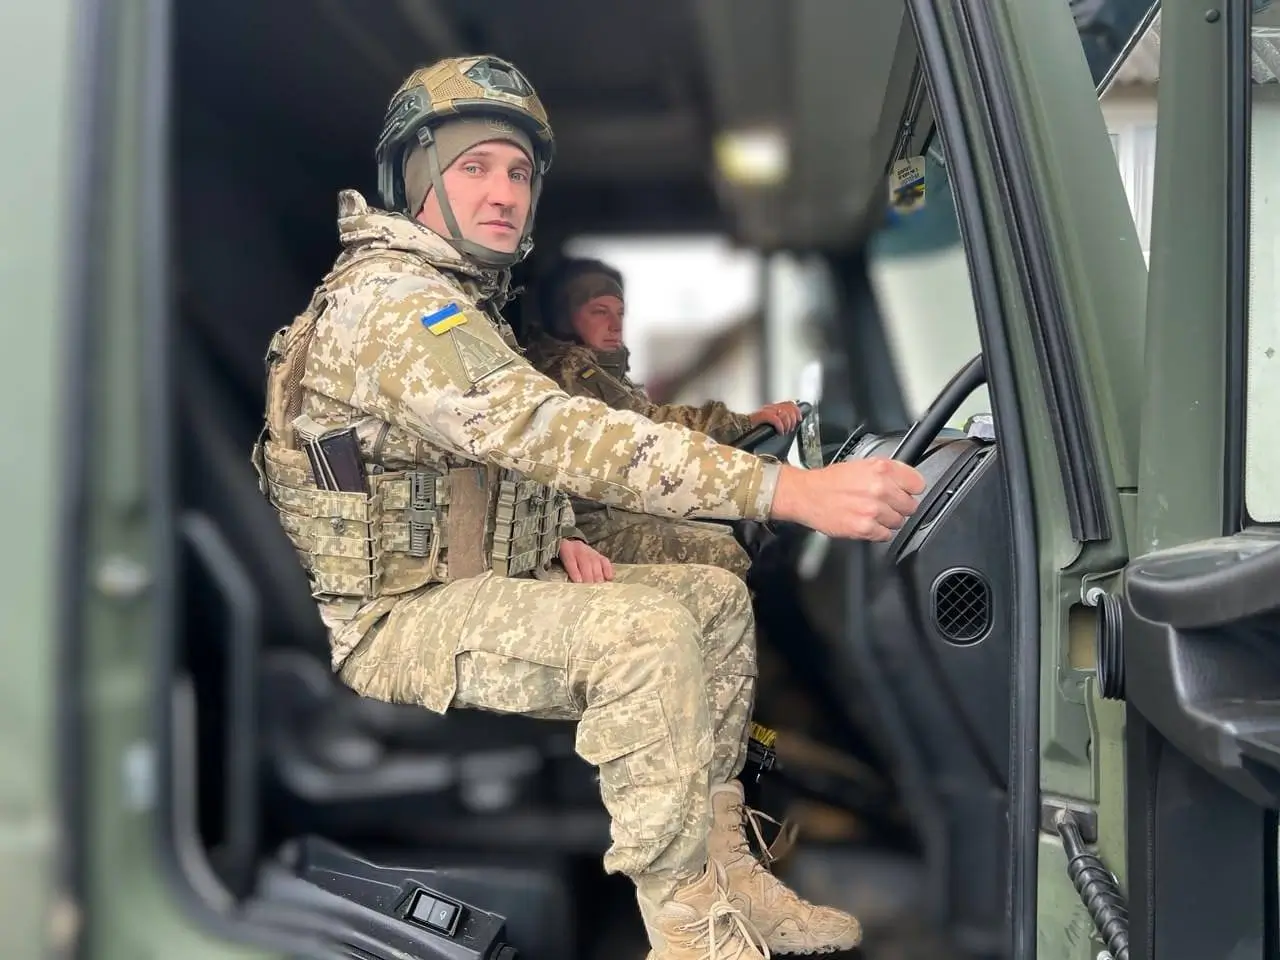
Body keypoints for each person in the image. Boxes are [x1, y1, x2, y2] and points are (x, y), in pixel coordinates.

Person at [251, 54, 926, 960]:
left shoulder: (459, 301)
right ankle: (687, 928)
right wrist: (790, 491)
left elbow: (484, 459)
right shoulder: (396, 303)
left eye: (518, 173)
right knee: (642, 633)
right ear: (416, 182)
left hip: (473, 585)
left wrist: (552, 531)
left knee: (714, 598)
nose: (503, 193)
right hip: (397, 622)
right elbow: (546, 430)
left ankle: (725, 870)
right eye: (474, 168)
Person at [523, 257, 796, 576]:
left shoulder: (596, 369)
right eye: (599, 312)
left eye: (620, 313)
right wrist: (741, 423)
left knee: (737, 528)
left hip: (615, 506)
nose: (615, 324)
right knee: (727, 551)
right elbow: (652, 425)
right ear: (565, 318)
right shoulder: (569, 373)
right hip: (589, 522)